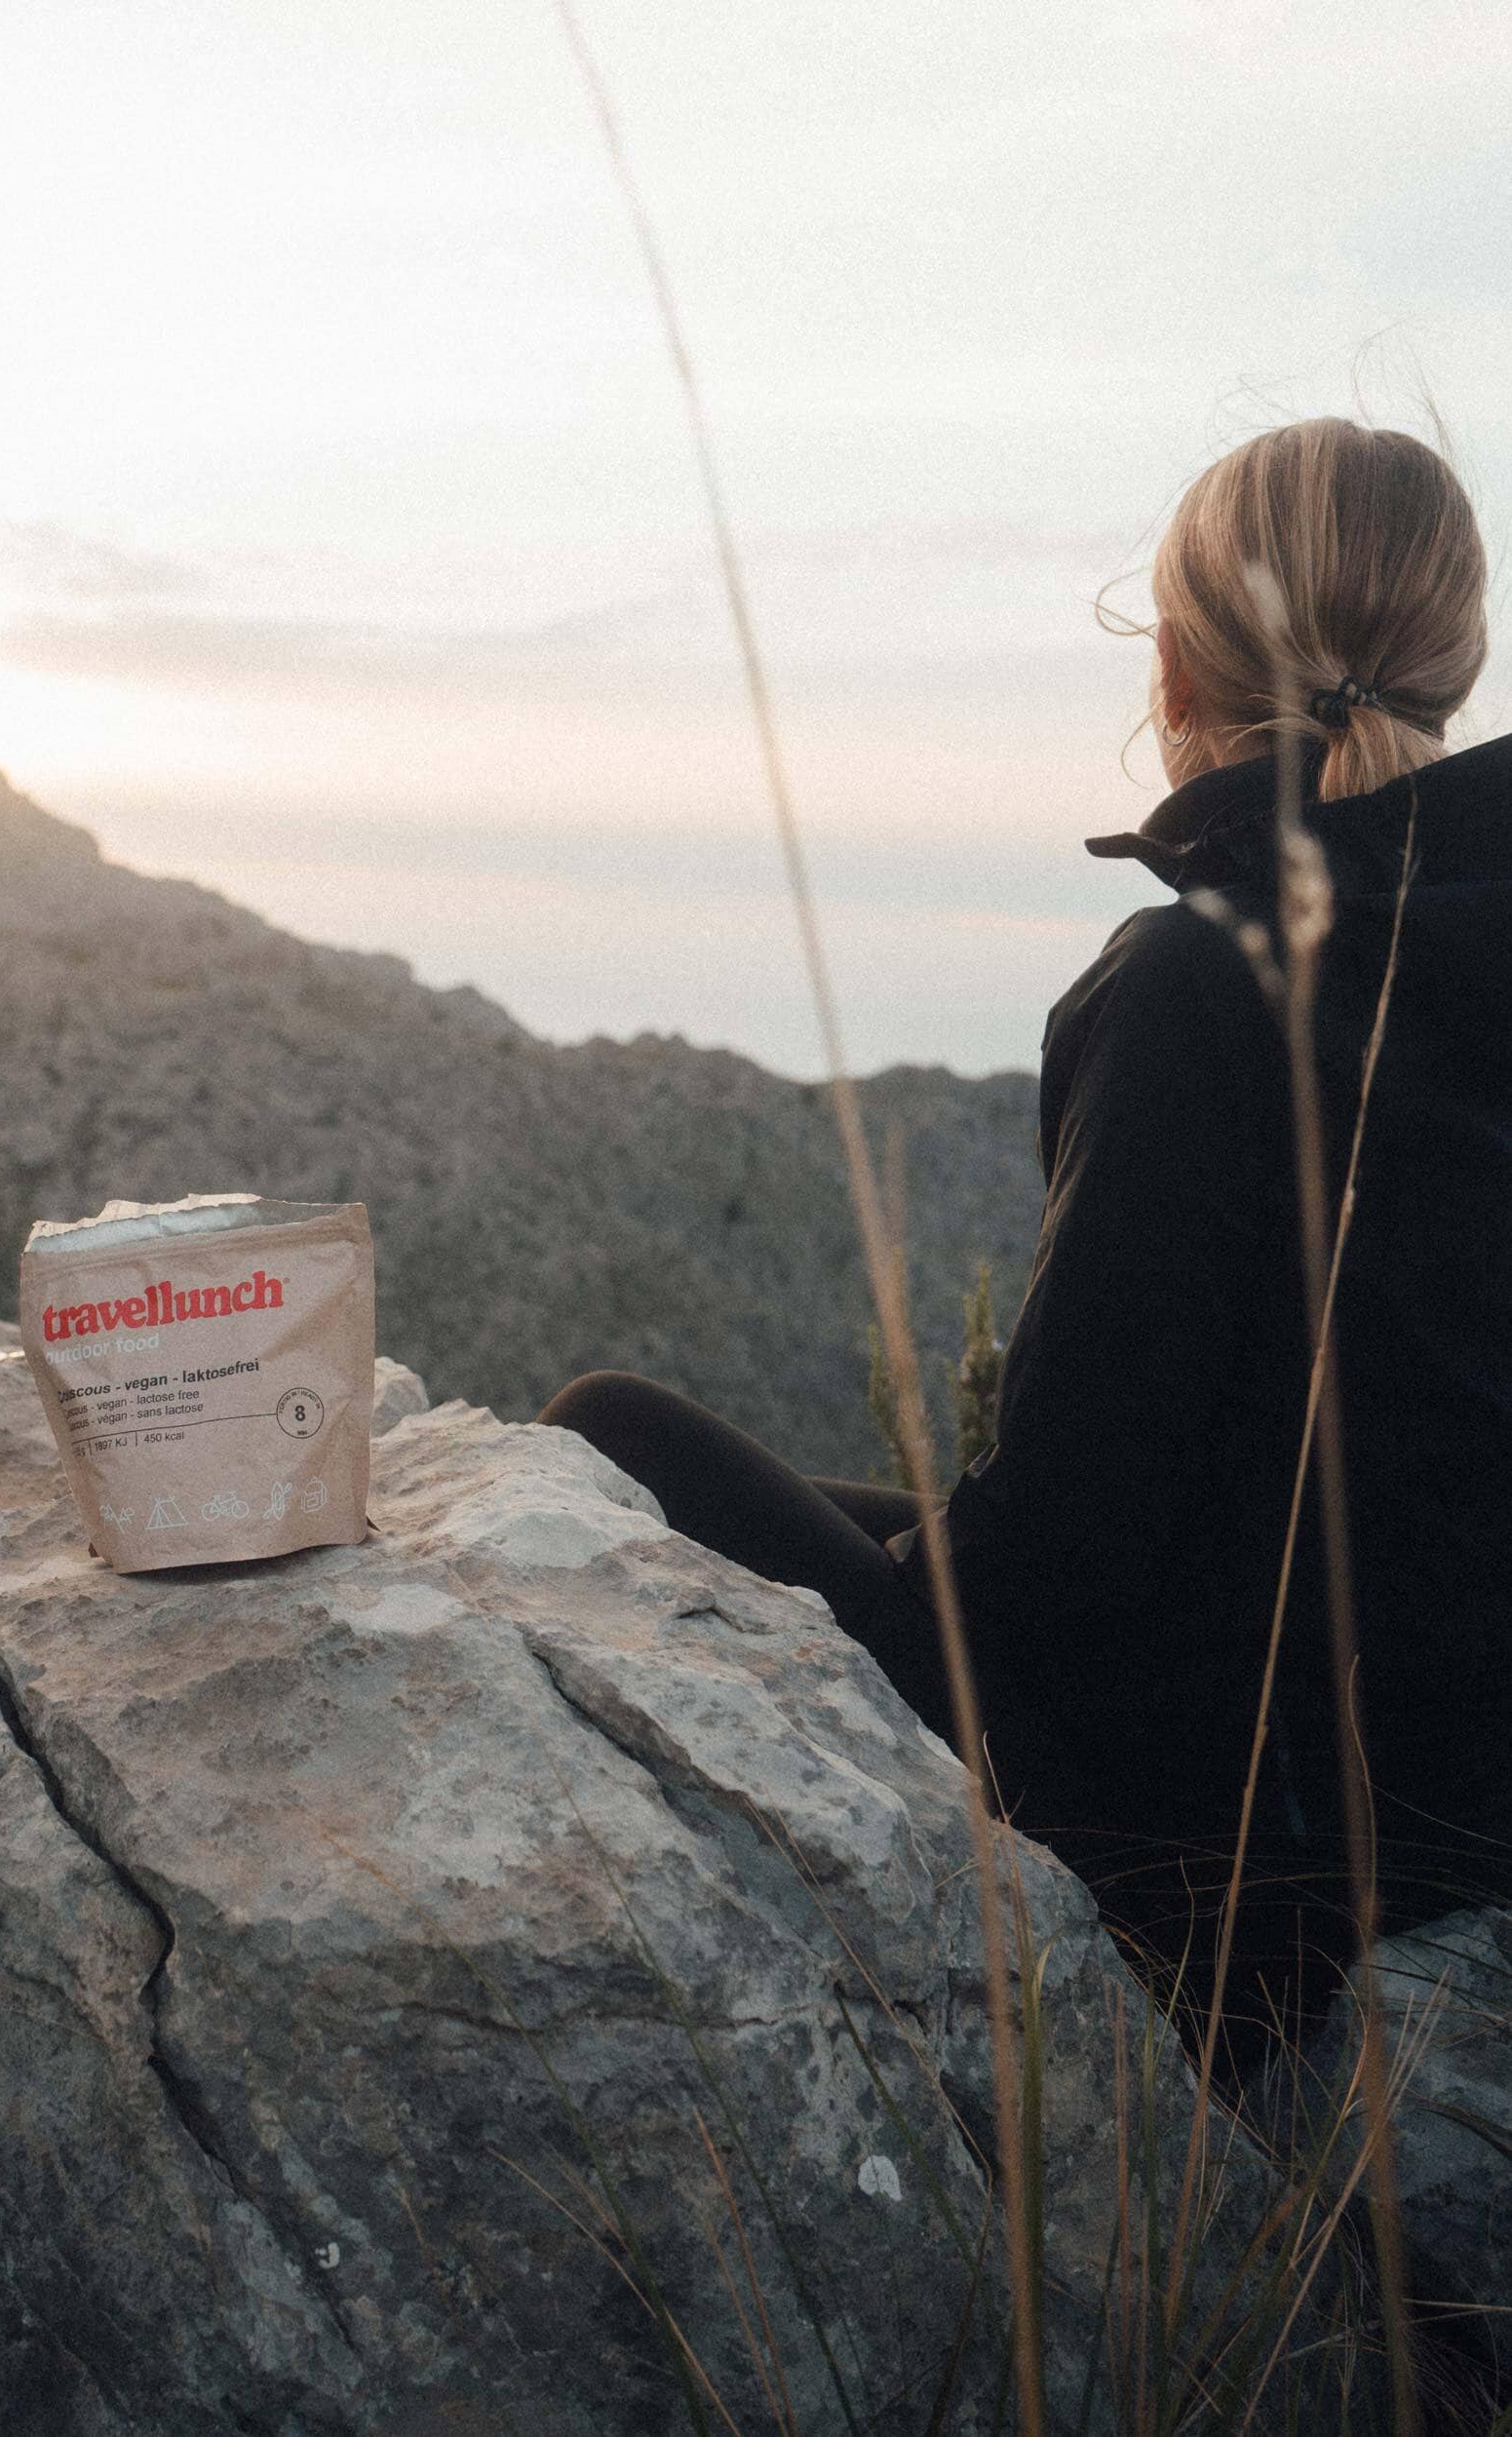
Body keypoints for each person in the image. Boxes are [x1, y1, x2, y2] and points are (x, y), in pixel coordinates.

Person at [545, 418, 1512, 2063]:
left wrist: (911, 1587)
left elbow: (1069, 1560)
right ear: (1454, 661)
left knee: (609, 1442)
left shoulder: (1202, 985)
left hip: (1240, 1868)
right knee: (853, 1519)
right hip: (1460, 1793)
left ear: (1180, 676)